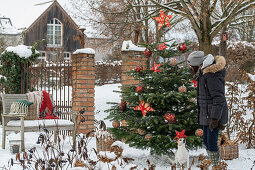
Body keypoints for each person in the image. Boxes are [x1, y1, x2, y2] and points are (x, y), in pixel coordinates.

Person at [187, 51, 228, 167]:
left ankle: (217, 166)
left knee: (211, 143)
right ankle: (213, 164)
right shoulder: (203, 73)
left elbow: (219, 98)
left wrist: (215, 118)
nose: (190, 69)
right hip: (207, 114)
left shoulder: (211, 75)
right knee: (206, 141)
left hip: (214, 115)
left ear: (197, 65)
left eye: (191, 67)